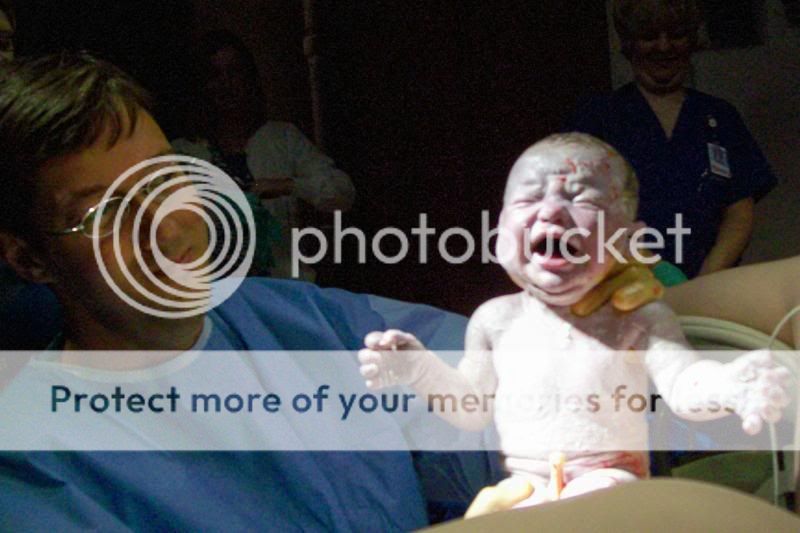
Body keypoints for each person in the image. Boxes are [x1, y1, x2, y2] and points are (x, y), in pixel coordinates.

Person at [358, 133, 790, 505]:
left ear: (629, 241)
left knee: (599, 500)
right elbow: (471, 409)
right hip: (526, 487)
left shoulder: (636, 318)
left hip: (611, 476)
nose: (550, 211)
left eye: (582, 198)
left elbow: (683, 384)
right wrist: (420, 370)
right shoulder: (495, 321)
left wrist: (730, 386)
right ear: (500, 233)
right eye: (529, 198)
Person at [569, 0, 777, 279]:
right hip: (624, 285)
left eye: (676, 35)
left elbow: (739, 210)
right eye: (649, 36)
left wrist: (704, 282)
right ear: (629, 44)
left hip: (711, 287)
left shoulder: (720, 116)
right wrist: (655, 271)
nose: (664, 46)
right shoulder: (597, 118)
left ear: (691, 41)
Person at [172, 30, 355, 280]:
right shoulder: (184, 152)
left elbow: (342, 192)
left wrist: (287, 186)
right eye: (215, 75)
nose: (226, 84)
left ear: (249, 79)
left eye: (234, 72)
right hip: (216, 292)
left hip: (283, 289)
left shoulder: (283, 139)